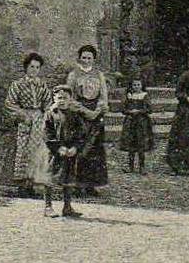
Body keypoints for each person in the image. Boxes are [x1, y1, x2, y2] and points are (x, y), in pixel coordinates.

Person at [0, 52, 52, 197]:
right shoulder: (17, 85)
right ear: (26, 68)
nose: (34, 70)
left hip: (38, 122)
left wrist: (46, 114)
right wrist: (22, 114)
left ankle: (32, 183)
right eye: (31, 67)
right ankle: (21, 184)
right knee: (21, 151)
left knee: (36, 151)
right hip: (23, 122)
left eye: (37, 67)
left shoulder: (42, 85)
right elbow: (10, 103)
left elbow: (48, 103)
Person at [65, 44, 110, 191]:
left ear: (94, 59)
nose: (86, 60)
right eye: (83, 57)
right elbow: (69, 97)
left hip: (95, 114)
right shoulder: (73, 75)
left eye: (89, 58)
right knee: (80, 148)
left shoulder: (99, 75)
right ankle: (78, 185)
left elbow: (103, 96)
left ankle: (92, 185)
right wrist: (83, 111)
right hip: (79, 115)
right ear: (79, 58)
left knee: (95, 150)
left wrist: (97, 111)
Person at [40, 87, 84, 219]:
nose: (62, 101)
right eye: (59, 98)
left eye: (65, 98)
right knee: (50, 177)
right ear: (54, 99)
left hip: (70, 151)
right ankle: (48, 206)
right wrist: (58, 148)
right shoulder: (50, 113)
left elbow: (81, 133)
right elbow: (46, 133)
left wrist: (75, 147)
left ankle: (67, 206)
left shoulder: (74, 114)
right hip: (54, 152)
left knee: (68, 177)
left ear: (70, 99)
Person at [119, 77, 154, 173]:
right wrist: (130, 111)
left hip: (142, 122)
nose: (136, 87)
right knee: (131, 144)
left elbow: (149, 109)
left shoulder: (145, 95)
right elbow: (123, 109)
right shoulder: (129, 96)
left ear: (142, 86)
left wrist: (139, 111)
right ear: (131, 86)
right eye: (134, 85)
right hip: (130, 122)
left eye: (138, 85)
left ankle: (142, 167)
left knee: (141, 144)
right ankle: (130, 166)